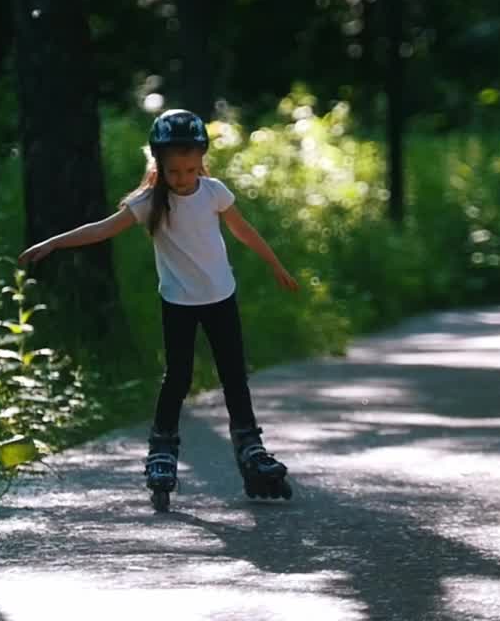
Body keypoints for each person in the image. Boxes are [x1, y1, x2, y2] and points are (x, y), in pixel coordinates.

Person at [17, 108, 298, 510]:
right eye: (174, 172)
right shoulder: (149, 202)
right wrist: (54, 242)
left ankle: (250, 446)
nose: (183, 179)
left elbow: (242, 229)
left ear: (201, 160)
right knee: (178, 377)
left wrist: (274, 264)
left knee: (234, 374)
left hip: (221, 296)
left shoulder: (214, 191)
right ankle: (162, 447)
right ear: (159, 166)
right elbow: (102, 228)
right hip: (179, 303)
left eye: (189, 169)